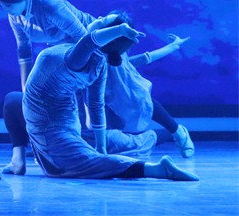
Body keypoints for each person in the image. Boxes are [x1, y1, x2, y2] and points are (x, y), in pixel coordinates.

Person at [22, 14, 198, 181]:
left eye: (104, 19)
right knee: (61, 164)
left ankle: (156, 169)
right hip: (55, 121)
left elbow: (89, 43)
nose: (98, 18)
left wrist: (120, 30)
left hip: (52, 125)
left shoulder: (82, 58)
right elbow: (95, 106)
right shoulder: (95, 60)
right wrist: (101, 147)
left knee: (81, 164)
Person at [103, 11, 195, 157]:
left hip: (132, 94)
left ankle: (178, 132)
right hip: (109, 101)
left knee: (144, 104)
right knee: (120, 139)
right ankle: (173, 132)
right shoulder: (97, 52)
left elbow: (138, 60)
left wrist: (173, 47)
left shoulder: (119, 55)